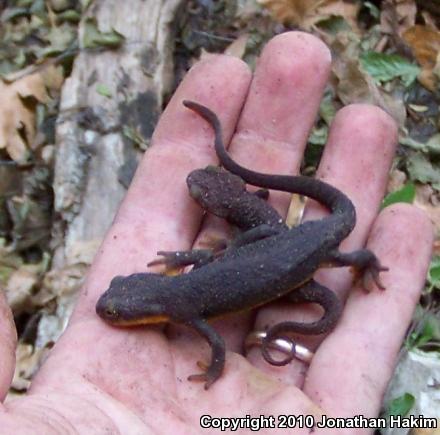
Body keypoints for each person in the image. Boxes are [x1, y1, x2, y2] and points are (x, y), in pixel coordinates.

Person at [0, 31, 433, 433]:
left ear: (147, 309)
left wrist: (212, 370)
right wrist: (183, 259)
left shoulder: (185, 311)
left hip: (304, 253)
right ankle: (357, 260)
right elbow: (205, 272)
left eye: (116, 312)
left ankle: (366, 261)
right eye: (115, 309)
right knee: (314, 253)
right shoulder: (183, 296)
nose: (109, 312)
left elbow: (218, 349)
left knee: (339, 255)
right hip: (290, 250)